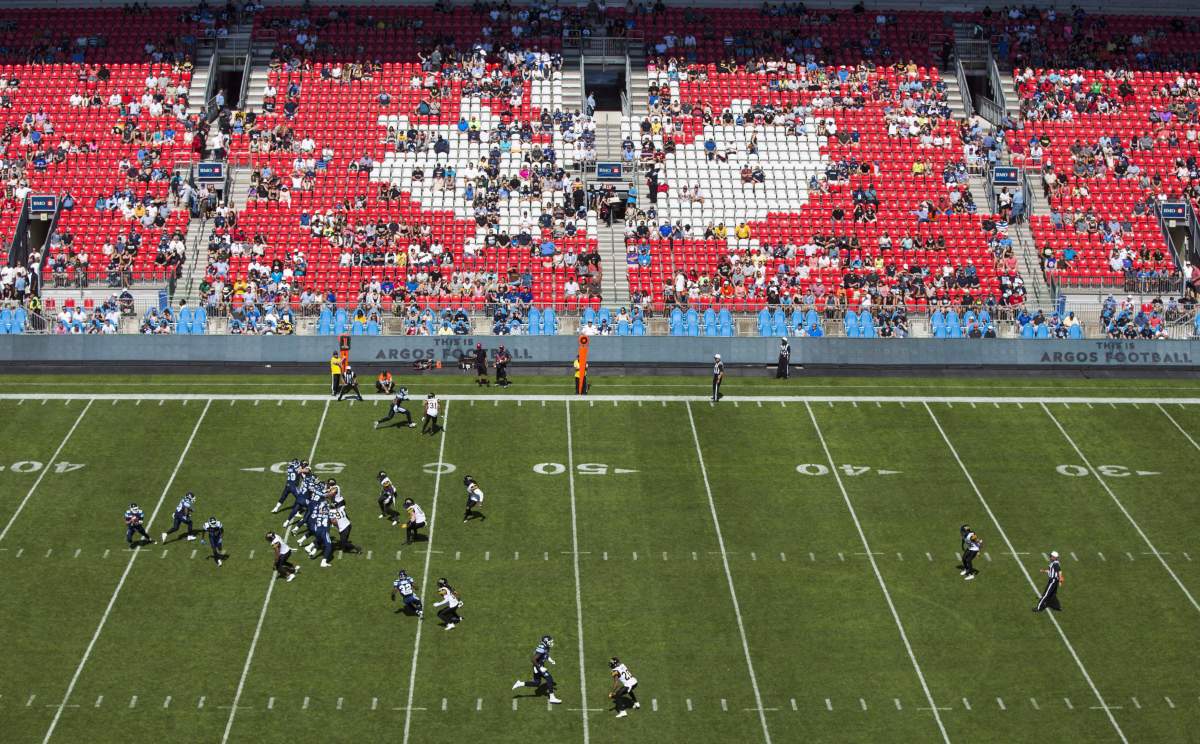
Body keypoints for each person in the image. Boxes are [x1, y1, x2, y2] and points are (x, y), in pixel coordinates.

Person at [512, 635, 563, 704]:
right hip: (538, 667)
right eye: (550, 642)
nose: (551, 643)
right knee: (549, 679)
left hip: (538, 667)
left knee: (537, 683)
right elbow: (533, 659)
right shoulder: (541, 648)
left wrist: (550, 660)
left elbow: (545, 655)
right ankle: (552, 698)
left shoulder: (546, 647)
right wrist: (540, 667)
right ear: (546, 642)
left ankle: (520, 683)